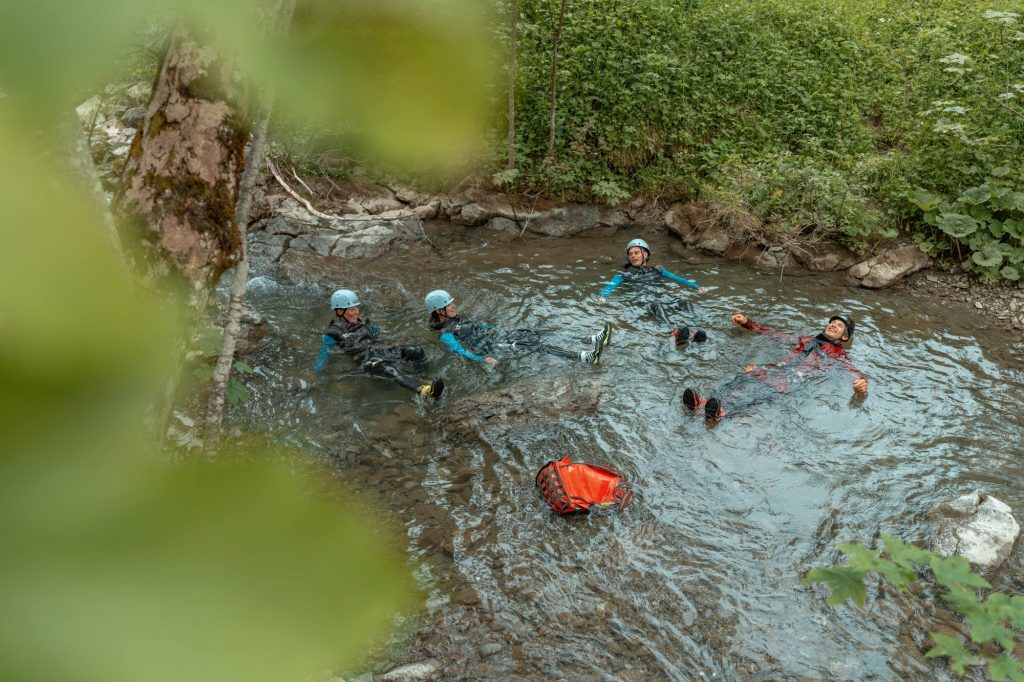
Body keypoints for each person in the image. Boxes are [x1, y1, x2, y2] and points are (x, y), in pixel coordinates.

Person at [683, 313, 868, 422]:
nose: (834, 325)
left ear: (845, 337)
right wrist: (746, 323)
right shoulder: (804, 339)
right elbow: (772, 334)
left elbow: (852, 371)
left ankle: (720, 413)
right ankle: (703, 403)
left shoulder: (839, 354)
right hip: (773, 370)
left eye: (839, 325)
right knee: (742, 379)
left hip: (790, 380)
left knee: (755, 393)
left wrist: (861, 383)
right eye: (832, 322)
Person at [316, 289, 445, 400]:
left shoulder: (362, 321)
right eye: (351, 309)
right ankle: (425, 391)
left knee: (415, 350)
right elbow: (324, 352)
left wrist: (385, 336)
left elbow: (375, 331)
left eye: (356, 307)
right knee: (388, 368)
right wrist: (317, 373)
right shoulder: (334, 332)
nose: (356, 312)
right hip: (366, 360)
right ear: (339, 311)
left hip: (379, 349)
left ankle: (424, 378)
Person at [425, 289, 611, 366]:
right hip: (494, 347)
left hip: (497, 336)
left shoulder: (455, 318)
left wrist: (494, 327)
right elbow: (461, 351)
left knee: (536, 333)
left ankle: (592, 339)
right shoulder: (445, 334)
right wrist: (483, 358)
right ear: (439, 311)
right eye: (449, 304)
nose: (454, 305)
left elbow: (477, 327)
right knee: (538, 347)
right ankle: (584, 357)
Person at [596, 238, 709, 344]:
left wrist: (697, 287)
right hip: (643, 299)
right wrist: (603, 296)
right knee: (657, 305)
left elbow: (678, 278)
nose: (633, 256)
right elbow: (610, 286)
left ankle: (696, 329)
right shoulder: (624, 275)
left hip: (661, 296)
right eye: (630, 254)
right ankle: (673, 332)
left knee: (684, 301)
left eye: (636, 253)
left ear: (645, 254)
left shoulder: (657, 270)